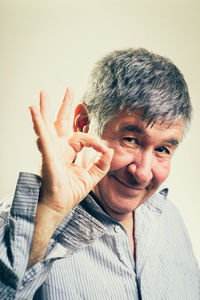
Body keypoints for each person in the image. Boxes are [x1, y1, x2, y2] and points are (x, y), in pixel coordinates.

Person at [0, 48, 199, 300]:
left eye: (162, 149)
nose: (143, 173)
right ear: (84, 123)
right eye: (130, 140)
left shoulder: (169, 217)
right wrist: (48, 214)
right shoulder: (18, 225)